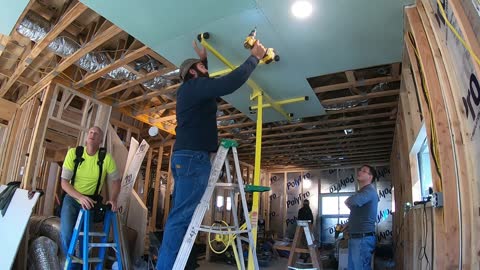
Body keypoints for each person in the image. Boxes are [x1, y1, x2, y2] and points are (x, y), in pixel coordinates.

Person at [156, 40, 267, 270]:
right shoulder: (192, 88)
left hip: (189, 159)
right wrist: (254, 57)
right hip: (192, 159)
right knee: (180, 219)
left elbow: (206, 83)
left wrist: (204, 60)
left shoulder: (193, 90)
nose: (206, 69)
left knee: (182, 217)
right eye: (202, 66)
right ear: (193, 73)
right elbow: (227, 84)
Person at [60, 126, 121, 257]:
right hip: (72, 198)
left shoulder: (106, 158)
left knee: (84, 240)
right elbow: (64, 182)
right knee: (66, 233)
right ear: (87, 137)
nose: (92, 134)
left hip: (91, 202)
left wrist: (113, 199)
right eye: (91, 132)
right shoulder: (73, 153)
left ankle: (82, 265)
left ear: (101, 140)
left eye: (96, 133)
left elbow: (116, 181)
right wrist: (80, 197)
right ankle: (71, 264)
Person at [344, 165, 378, 270]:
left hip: (361, 239)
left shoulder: (369, 191)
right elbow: (356, 207)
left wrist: (349, 200)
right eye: (360, 170)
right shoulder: (363, 192)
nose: (360, 172)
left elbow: (351, 201)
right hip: (357, 238)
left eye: (364, 171)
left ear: (370, 177)